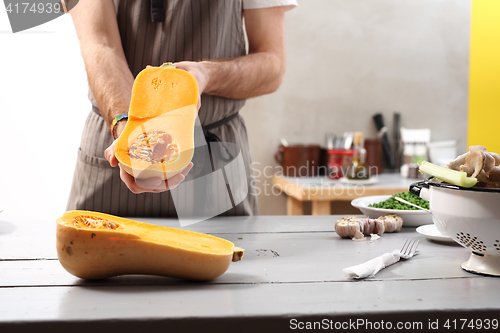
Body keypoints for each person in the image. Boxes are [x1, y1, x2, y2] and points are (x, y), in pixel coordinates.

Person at [67, 0, 297, 217]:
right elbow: (99, 43)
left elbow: (272, 65)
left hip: (213, 154)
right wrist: (129, 133)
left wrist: (208, 75)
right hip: (114, 144)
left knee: (221, 257)